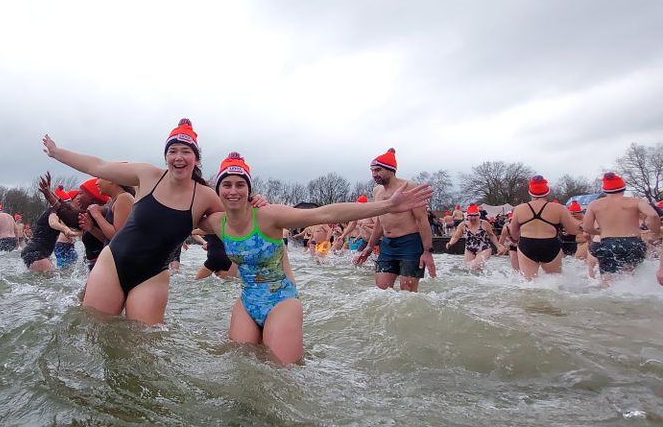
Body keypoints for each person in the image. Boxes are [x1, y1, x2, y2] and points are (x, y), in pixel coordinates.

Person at [199, 152, 433, 364]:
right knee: (241, 366)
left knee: (280, 375)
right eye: (227, 184)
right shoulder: (216, 222)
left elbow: (325, 213)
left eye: (240, 185)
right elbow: (179, 217)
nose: (233, 191)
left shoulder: (268, 215)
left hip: (281, 301)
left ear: (249, 190)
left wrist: (387, 206)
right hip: (246, 302)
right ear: (218, 190)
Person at [43, 118, 230, 325]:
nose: (179, 157)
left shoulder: (206, 196)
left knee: (141, 346)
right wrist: (56, 152)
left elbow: (236, 225)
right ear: (165, 156)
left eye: (186, 151)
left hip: (153, 277)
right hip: (113, 264)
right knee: (97, 331)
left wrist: (260, 208)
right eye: (173, 151)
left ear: (196, 158)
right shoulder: (147, 175)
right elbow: (99, 166)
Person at [354, 149, 437, 292]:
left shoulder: (409, 187)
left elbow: (422, 220)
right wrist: (370, 246)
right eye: (372, 170)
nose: (374, 174)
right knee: (381, 291)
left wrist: (427, 251)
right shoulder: (377, 191)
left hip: (410, 243)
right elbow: (380, 221)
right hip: (387, 244)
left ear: (391, 170)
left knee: (407, 294)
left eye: (378, 170)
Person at [582, 173, 661, 285]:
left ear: (605, 190)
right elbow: (653, 216)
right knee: (632, 279)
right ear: (623, 188)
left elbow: (587, 227)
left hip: (608, 243)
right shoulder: (636, 201)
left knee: (608, 283)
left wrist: (600, 232)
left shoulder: (594, 205)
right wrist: (655, 233)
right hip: (633, 242)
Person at [21, 175, 108, 271]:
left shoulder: (97, 213)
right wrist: (50, 195)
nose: (78, 198)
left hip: (99, 266)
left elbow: (69, 215)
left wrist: (50, 196)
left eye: (81, 193)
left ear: (93, 197)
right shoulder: (93, 213)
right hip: (36, 251)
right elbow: (60, 218)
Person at [507, 175, 579, 280]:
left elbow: (513, 233)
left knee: (529, 283)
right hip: (550, 244)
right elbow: (573, 230)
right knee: (555, 282)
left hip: (527, 244)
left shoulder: (519, 209)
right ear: (547, 191)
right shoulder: (559, 208)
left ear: (530, 192)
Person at [445, 204, 504, 271]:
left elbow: (491, 235)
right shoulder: (463, 225)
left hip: (484, 248)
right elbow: (456, 237)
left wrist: (498, 245)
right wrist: (450, 243)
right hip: (469, 249)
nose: (473, 218)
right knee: (468, 268)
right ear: (467, 216)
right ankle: (482, 279)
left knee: (475, 266)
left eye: (475, 215)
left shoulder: (484, 223)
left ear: (478, 215)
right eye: (471, 216)